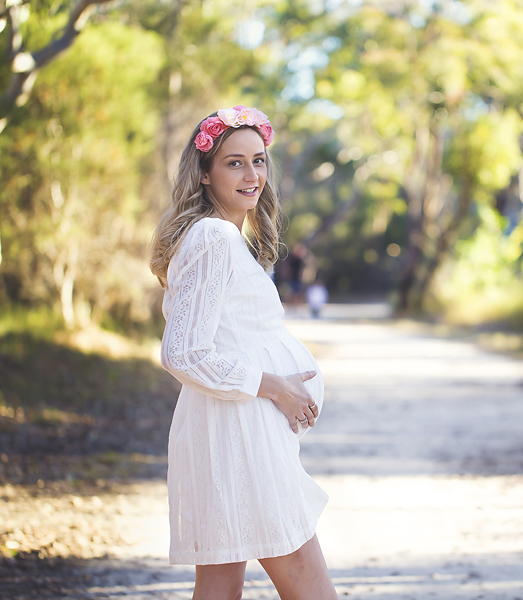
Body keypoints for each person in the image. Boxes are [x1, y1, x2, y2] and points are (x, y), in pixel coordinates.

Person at [150, 106, 337, 600]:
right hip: (238, 434)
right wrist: (276, 387)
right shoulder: (212, 237)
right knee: (309, 586)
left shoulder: (225, 237)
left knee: (218, 585)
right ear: (205, 172)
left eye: (258, 160)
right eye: (234, 162)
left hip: (229, 429)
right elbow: (183, 353)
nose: (252, 175)